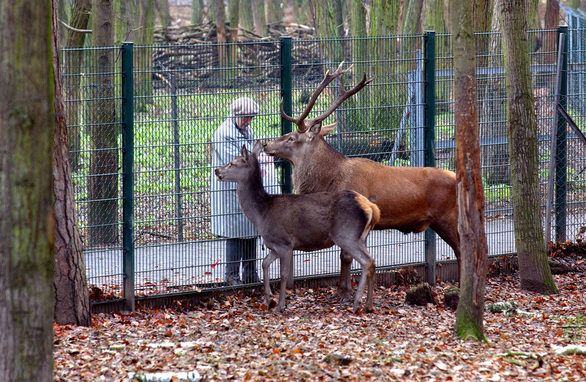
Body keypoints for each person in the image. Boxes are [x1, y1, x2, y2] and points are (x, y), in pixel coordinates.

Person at [211, 97, 279, 285]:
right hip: (231, 190)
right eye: (246, 118)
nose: (248, 121)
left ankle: (250, 274)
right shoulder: (223, 134)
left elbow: (251, 155)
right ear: (236, 114)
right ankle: (231, 276)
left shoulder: (246, 130)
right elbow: (238, 162)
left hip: (247, 191)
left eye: (251, 118)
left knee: (250, 230)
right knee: (235, 233)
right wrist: (257, 159)